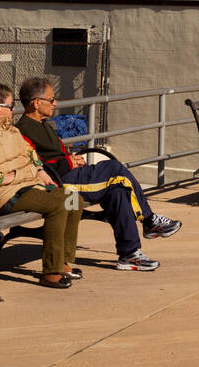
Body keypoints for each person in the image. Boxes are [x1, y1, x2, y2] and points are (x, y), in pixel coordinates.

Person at [17, 76, 182, 273]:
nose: (55, 103)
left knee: (118, 192)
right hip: (61, 184)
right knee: (113, 168)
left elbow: (56, 154)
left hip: (72, 174)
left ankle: (129, 254)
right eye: (51, 100)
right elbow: (37, 167)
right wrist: (70, 162)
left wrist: (72, 157)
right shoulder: (23, 131)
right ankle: (149, 220)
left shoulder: (44, 124)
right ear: (36, 103)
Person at [0, 81, 81, 290]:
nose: (14, 109)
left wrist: (40, 170)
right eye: (10, 105)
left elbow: (30, 152)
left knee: (73, 198)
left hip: (23, 186)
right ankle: (51, 272)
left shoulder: (9, 129)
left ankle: (62, 260)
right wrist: (4, 179)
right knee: (59, 204)